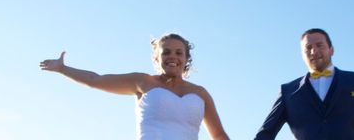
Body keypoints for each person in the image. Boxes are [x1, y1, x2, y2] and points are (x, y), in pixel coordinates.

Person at [40, 33, 230, 140]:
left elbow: (219, 135)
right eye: (166, 52)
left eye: (179, 53)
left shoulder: (200, 93)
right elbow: (95, 79)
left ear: (186, 58)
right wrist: (63, 69)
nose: (173, 56)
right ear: (157, 58)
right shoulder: (144, 82)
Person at [254, 28, 354, 140]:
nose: (314, 51)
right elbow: (266, 133)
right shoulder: (287, 92)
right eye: (308, 48)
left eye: (319, 45)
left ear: (331, 50)